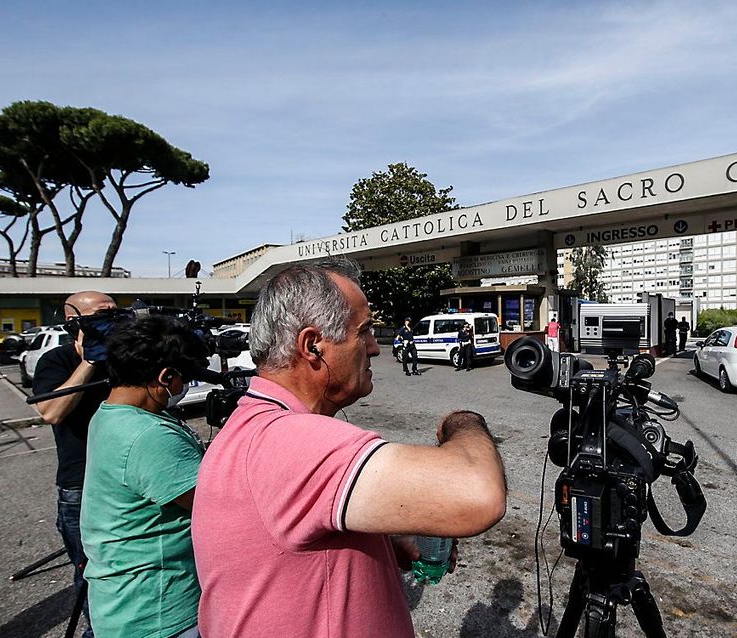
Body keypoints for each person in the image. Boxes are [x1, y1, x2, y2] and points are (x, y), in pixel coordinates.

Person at [192, 261, 506, 637]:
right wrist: (464, 421)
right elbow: (477, 493)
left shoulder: (255, 423)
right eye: (365, 331)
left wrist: (382, 548)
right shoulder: (290, 440)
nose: (375, 348)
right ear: (312, 346)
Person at [80, 315, 209, 638]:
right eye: (184, 379)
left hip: (124, 604)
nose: (183, 388)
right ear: (165, 376)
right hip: (160, 611)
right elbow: (216, 505)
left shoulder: (110, 414)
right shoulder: (148, 435)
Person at [34, 290, 117, 638]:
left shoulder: (122, 357)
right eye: (102, 314)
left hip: (125, 481)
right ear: (75, 322)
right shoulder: (57, 360)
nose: (112, 319)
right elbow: (52, 412)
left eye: (116, 312)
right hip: (80, 486)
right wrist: (90, 361)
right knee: (92, 578)